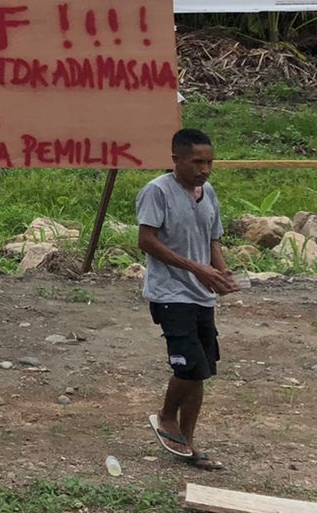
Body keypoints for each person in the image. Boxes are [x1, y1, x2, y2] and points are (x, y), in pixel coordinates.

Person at [138, 126, 238, 472]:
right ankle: (166, 417)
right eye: (197, 162)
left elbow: (213, 240)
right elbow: (147, 241)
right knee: (190, 366)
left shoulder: (207, 192)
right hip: (169, 293)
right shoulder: (157, 191)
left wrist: (221, 274)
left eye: (209, 162)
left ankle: (189, 442)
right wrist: (197, 269)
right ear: (176, 159)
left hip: (201, 296)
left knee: (203, 371)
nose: (205, 169)